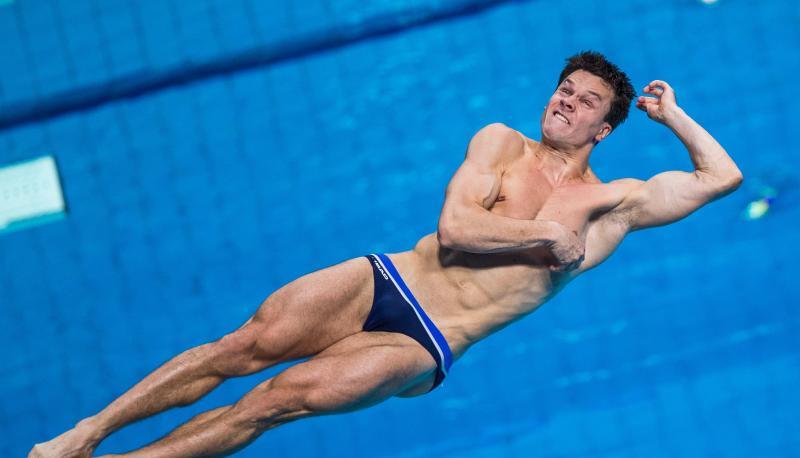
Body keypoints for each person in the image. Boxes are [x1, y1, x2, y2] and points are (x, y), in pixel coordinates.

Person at [29, 50, 743, 458]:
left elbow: (722, 178)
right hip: (388, 278)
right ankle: (84, 433)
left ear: (606, 129)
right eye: (563, 88)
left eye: (585, 101)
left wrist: (673, 114)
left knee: (275, 402)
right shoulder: (500, 142)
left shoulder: (610, 207)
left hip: (428, 340)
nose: (565, 101)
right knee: (242, 345)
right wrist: (540, 236)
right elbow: (459, 229)